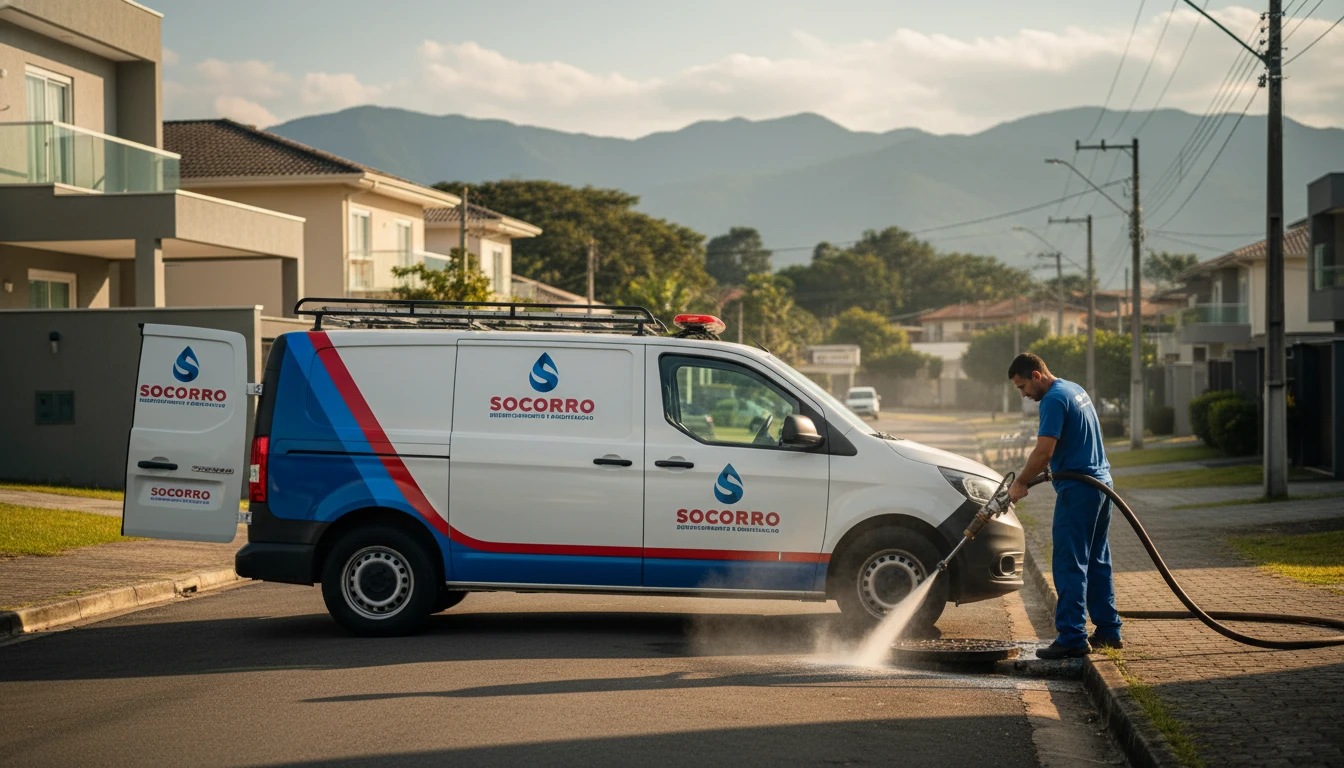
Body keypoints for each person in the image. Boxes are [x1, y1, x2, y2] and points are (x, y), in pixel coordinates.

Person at [1005, 353, 1122, 660]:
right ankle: (1109, 630)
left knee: (1069, 563)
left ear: (1036, 375)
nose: (1023, 394)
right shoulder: (1074, 388)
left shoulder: (1052, 400)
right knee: (1097, 560)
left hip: (1080, 490)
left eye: (1022, 386)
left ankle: (1071, 636)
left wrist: (1021, 483)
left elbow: (1044, 451)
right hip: (1100, 484)